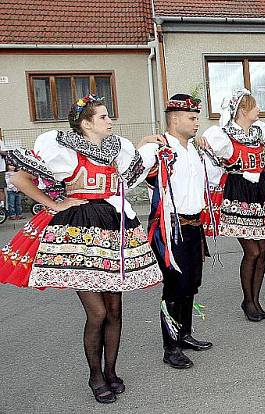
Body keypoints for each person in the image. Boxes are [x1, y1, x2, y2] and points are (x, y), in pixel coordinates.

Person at [0, 95, 162, 403]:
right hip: (78, 233)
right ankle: (95, 375)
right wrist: (54, 204)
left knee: (115, 310)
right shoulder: (62, 150)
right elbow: (20, 177)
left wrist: (143, 143)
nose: (109, 120)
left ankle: (111, 371)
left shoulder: (116, 150)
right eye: (102, 117)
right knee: (98, 312)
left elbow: (131, 176)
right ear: (85, 123)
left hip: (115, 229)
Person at [198, 89, 265, 322]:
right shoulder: (224, 135)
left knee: (262, 252)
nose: (258, 109)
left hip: (261, 193)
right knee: (252, 251)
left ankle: (255, 300)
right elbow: (207, 153)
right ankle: (248, 300)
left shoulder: (259, 132)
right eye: (254, 106)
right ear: (242, 111)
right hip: (239, 193)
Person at [139, 94, 214, 369]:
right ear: (174, 119)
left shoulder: (193, 149)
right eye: (192, 118)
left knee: (191, 284)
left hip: (194, 225)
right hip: (170, 228)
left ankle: (184, 335)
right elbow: (131, 173)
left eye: (197, 117)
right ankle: (170, 347)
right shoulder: (157, 149)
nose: (197, 123)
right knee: (174, 287)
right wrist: (141, 145)